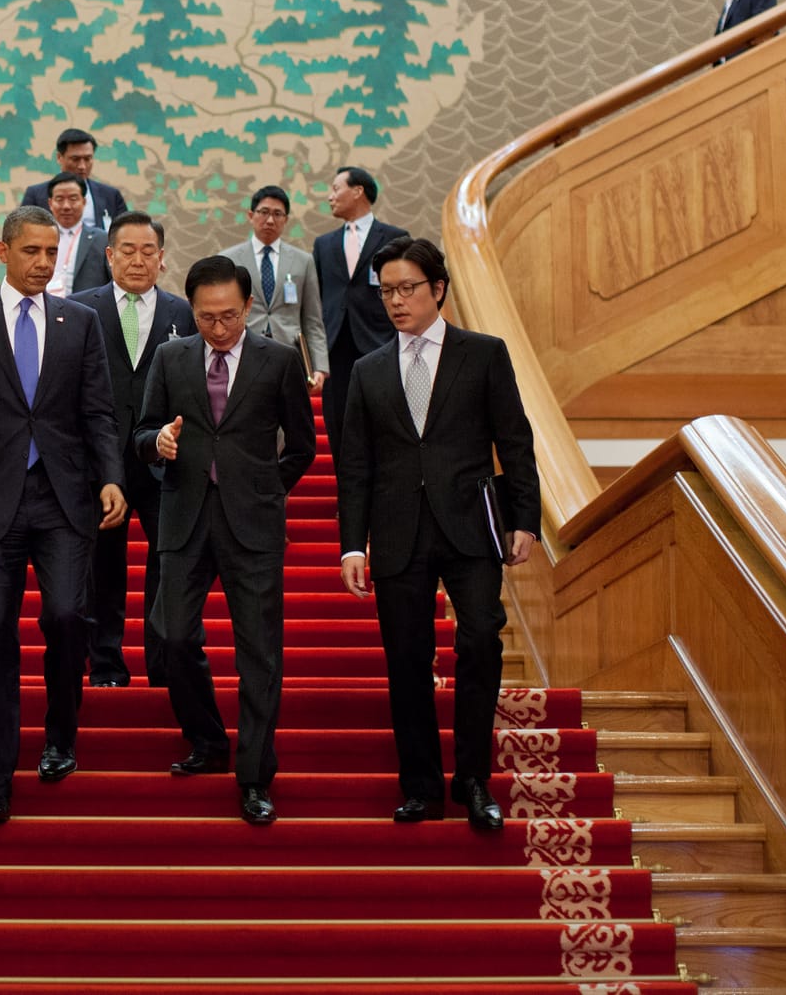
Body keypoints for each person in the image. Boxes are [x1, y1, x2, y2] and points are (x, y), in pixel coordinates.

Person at [335, 236, 540, 833]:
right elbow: (355, 465)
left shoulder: (483, 354)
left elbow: (515, 438)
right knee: (406, 660)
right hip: (398, 532)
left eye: (406, 289)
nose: (395, 302)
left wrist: (523, 516)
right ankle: (421, 787)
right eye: (386, 292)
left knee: (480, 640)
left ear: (438, 290)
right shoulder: (368, 370)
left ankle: (474, 780)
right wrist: (353, 541)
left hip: (470, 526)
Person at [0, 205, 127, 824]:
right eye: (31, 251)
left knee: (69, 618)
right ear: (2, 250)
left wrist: (113, 477)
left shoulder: (81, 321)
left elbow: (99, 410)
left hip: (65, 499)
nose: (43, 262)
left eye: (51, 253)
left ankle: (61, 734)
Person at [135, 256, 316, 826]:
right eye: (207, 317)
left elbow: (303, 446)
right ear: (191, 310)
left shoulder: (279, 360)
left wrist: (267, 490)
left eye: (230, 317)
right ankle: (208, 737)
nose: (219, 329)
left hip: (252, 523)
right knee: (169, 634)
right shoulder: (170, 357)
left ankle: (256, 774)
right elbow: (143, 430)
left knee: (258, 651)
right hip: (185, 515)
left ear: (248, 308)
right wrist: (156, 442)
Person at [71, 212, 192, 689]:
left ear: (162, 259)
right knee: (103, 565)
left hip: (167, 461)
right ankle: (106, 664)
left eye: (148, 252)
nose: (138, 260)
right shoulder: (79, 310)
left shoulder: (183, 314)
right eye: (128, 251)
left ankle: (163, 662)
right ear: (109, 256)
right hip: (100, 463)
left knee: (168, 563)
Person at [312, 166, 407, 458]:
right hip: (335, 345)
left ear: (358, 191)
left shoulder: (395, 238)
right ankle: (347, 501)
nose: (330, 197)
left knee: (382, 423)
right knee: (339, 425)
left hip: (379, 341)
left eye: (336, 189)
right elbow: (317, 300)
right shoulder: (323, 244)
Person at [221, 186, 327, 389]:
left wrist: (319, 366)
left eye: (278, 214)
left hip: (288, 352)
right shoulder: (229, 258)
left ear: (286, 220)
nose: (270, 220)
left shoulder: (303, 261)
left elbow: (313, 320)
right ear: (251, 215)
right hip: (242, 349)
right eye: (264, 212)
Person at [21, 127, 128, 231]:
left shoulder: (111, 196)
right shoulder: (35, 195)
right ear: (59, 157)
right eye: (75, 159)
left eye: (87, 159)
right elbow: (22, 232)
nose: (82, 166)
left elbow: (125, 232)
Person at [45, 171, 110, 297]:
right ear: (50, 203)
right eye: (59, 199)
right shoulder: (38, 238)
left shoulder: (102, 240)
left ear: (84, 202)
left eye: (73, 199)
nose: (66, 206)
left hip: (88, 312)